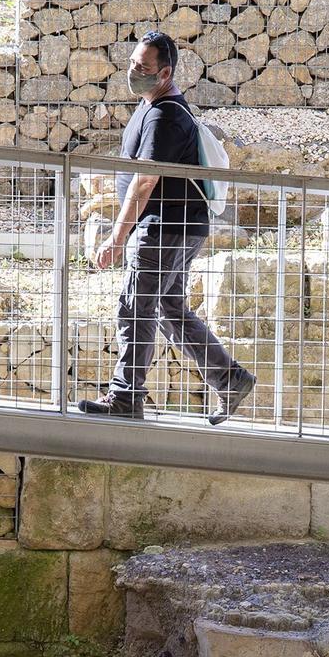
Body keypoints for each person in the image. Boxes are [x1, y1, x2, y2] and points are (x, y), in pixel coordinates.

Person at [78, 30, 258, 424]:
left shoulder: (163, 115)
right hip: (181, 226)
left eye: (142, 68)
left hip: (164, 227)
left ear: (165, 73)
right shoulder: (155, 106)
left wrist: (116, 237)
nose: (133, 72)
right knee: (168, 307)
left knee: (135, 308)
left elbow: (144, 183)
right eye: (131, 64)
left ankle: (126, 397)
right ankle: (229, 378)